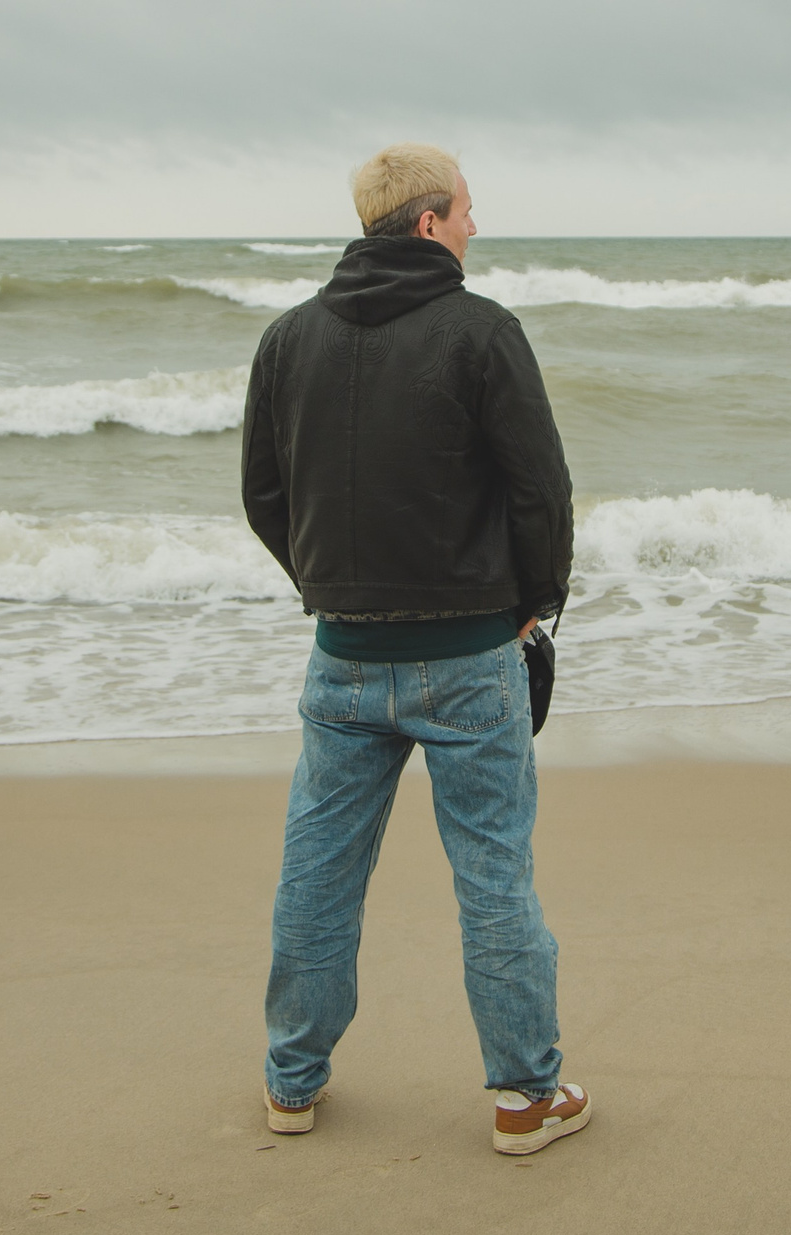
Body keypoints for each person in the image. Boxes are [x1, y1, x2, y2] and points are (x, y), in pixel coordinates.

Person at [239, 142, 588, 1156]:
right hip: (472, 656)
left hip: (341, 657)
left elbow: (266, 496)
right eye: (470, 210)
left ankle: (290, 1085)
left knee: (318, 871)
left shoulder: (287, 338)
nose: (478, 226)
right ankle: (525, 1100)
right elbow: (540, 490)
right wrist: (534, 607)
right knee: (492, 874)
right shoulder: (479, 332)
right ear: (430, 221)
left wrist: (326, 589)